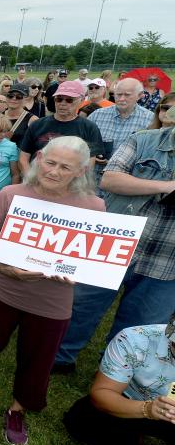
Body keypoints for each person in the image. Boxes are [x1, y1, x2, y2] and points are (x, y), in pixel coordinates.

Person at [0, 136, 103, 445]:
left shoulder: (94, 206)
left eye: (65, 167)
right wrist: (2, 264)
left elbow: (90, 257)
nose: (53, 171)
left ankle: (18, 408)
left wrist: (80, 273)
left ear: (81, 171)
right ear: (38, 157)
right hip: (2, 289)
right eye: (50, 162)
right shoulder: (11, 194)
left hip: (53, 299)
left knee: (38, 359)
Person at [53, 119, 175, 374]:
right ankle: (61, 357)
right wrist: (166, 187)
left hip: (168, 259)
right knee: (82, 306)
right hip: (115, 245)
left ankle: (113, 370)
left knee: (143, 322)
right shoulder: (144, 139)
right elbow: (109, 179)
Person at [62, 317, 175, 445]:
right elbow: (103, 392)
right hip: (130, 398)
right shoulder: (135, 339)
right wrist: (147, 409)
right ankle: (124, 438)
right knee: (79, 421)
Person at [18, 81, 104, 176]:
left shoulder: (89, 128)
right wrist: (32, 180)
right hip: (37, 181)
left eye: (69, 100)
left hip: (70, 185)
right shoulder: (38, 124)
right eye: (58, 99)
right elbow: (23, 158)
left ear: (82, 100)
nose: (63, 103)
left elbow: (89, 164)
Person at [1, 83, 39, 148]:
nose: (14, 99)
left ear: (25, 99)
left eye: (19, 97)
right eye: (10, 96)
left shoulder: (32, 120)